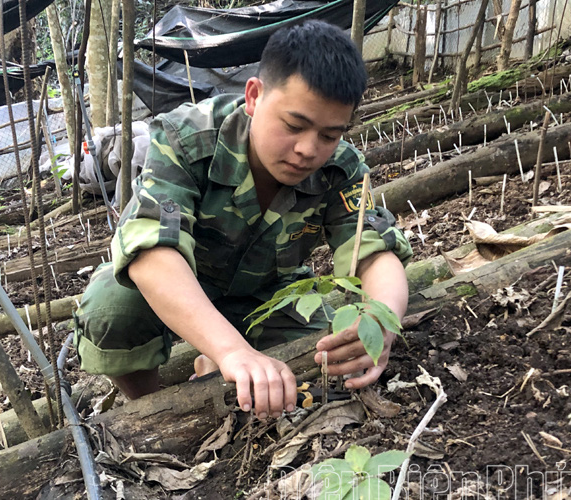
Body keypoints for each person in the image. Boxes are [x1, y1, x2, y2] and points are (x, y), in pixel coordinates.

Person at [73, 20, 412, 420]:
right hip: (181, 284)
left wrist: (382, 318)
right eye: (294, 125)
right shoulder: (186, 138)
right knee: (111, 309)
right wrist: (232, 350)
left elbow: (373, 252)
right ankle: (156, 411)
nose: (308, 149)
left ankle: (212, 367)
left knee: (325, 366)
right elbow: (153, 255)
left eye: (329, 135)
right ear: (254, 96)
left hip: (268, 292)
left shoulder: (341, 168)